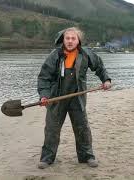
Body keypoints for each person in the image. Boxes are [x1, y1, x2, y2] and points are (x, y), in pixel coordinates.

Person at [37, 27, 111, 169]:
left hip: (77, 97)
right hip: (56, 98)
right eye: (67, 38)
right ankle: (47, 158)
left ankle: (87, 156)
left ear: (78, 40)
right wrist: (44, 95)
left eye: (73, 38)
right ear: (63, 40)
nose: (70, 41)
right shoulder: (55, 55)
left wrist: (106, 80)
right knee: (52, 128)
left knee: (82, 127)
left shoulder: (86, 54)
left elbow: (99, 67)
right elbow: (44, 77)